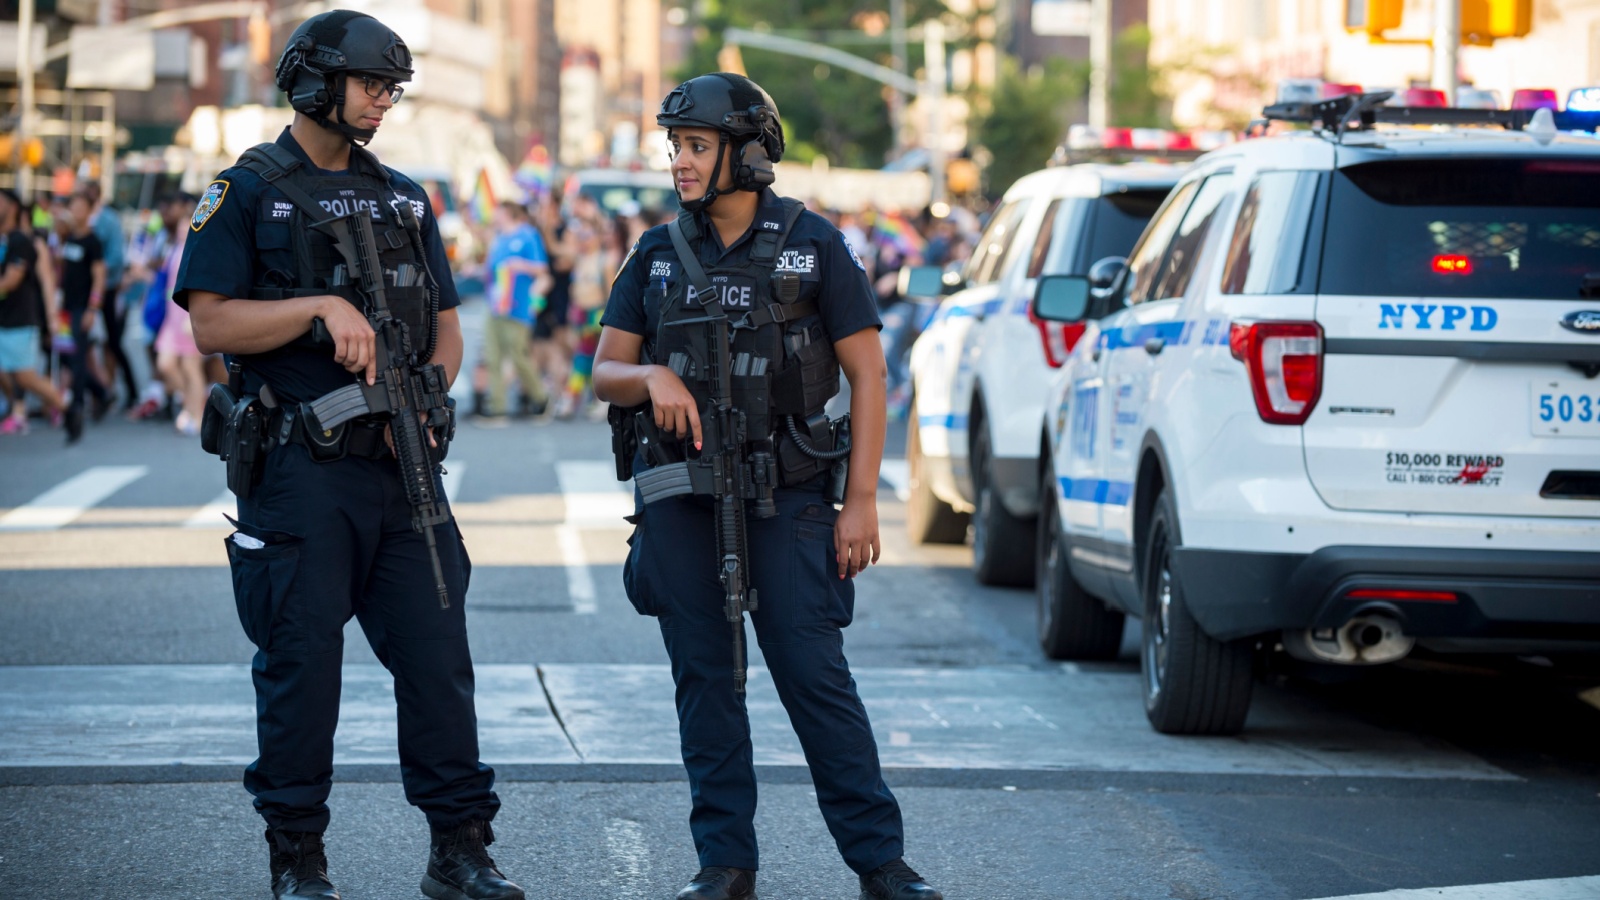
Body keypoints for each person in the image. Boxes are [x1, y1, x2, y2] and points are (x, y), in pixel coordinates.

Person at [172, 11, 524, 900]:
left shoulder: (404, 196)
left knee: (439, 658)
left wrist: (434, 392)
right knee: (302, 666)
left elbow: (445, 324)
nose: (383, 102)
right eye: (372, 84)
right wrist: (319, 308)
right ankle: (298, 857)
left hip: (403, 467)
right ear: (315, 81)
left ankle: (461, 850)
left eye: (391, 89)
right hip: (300, 473)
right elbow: (211, 319)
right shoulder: (248, 188)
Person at [593, 73, 942, 900]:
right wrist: (648, 377)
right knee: (705, 683)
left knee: (815, 680)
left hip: (789, 495)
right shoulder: (654, 251)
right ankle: (725, 867)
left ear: (745, 155)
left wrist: (859, 502)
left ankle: (880, 865)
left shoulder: (813, 243)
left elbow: (868, 375)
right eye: (675, 145)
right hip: (682, 497)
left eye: (697, 146)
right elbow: (604, 370)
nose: (679, 161)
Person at [0, 189, 77, 440]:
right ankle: (17, 410)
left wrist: (53, 317)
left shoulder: (23, 241)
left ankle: (66, 406)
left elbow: (17, 281)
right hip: (6, 318)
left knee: (26, 377)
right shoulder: (5, 240)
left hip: (21, 319)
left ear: (13, 207)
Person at [480, 200, 551, 420]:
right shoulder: (498, 239)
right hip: (496, 306)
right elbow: (491, 271)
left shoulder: (527, 235)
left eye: (498, 212)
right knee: (493, 356)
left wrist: (520, 265)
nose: (494, 216)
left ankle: (540, 398)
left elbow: (542, 269)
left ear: (508, 213)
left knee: (518, 356)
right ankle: (497, 407)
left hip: (519, 307)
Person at [54, 193, 112, 422]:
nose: (76, 211)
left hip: (82, 308)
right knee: (67, 356)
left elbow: (99, 276)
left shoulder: (93, 241)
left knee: (78, 358)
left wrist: (92, 308)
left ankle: (77, 406)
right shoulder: (68, 238)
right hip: (66, 308)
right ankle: (102, 393)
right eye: (73, 206)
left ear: (89, 212)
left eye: (81, 207)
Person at [83, 181, 135, 408]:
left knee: (112, 342)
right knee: (85, 342)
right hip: (84, 291)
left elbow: (116, 256)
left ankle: (129, 390)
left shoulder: (109, 220)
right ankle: (99, 390)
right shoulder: (79, 219)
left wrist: (95, 268)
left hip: (106, 291)